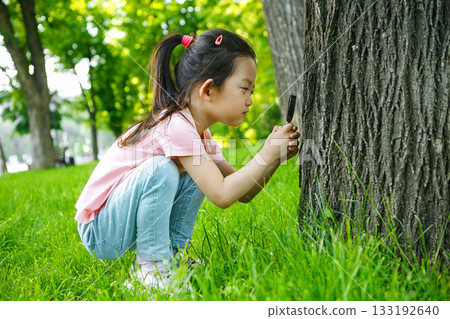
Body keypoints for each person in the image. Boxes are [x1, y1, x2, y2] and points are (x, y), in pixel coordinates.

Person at [75, 28, 300, 291]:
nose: (250, 101)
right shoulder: (175, 126)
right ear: (207, 90)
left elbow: (242, 192)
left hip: (119, 220)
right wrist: (267, 152)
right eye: (244, 89)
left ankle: (171, 259)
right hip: (101, 231)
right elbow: (222, 195)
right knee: (162, 169)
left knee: (197, 173)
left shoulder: (198, 132)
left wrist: (274, 157)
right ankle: (151, 270)